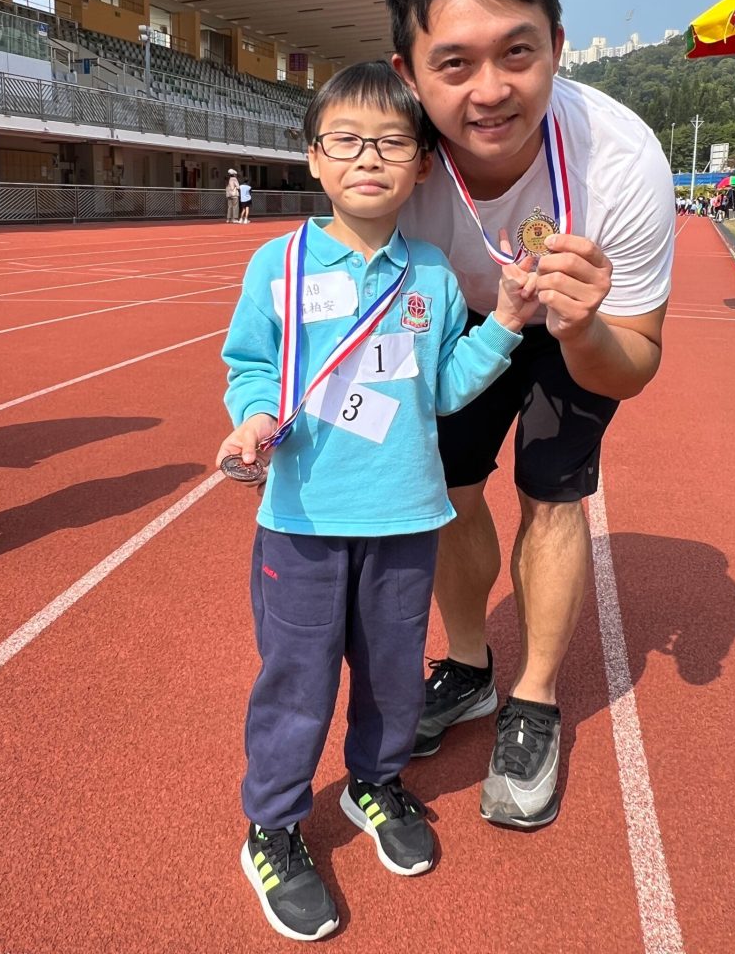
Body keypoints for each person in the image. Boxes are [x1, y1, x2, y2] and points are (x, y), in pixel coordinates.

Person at [217, 61, 539, 942]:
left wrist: (508, 322)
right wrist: (254, 419)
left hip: (407, 518)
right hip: (304, 523)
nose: (369, 158)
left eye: (393, 142)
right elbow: (250, 365)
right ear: (314, 158)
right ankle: (273, 826)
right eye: (348, 141)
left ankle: (374, 781)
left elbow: (445, 389)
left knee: (396, 674)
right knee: (297, 680)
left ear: (423, 165)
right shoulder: (279, 264)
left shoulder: (431, 273)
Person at [387, 0, 674, 829]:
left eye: (517, 51)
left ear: (556, 41)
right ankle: (469, 668)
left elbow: (635, 362)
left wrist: (581, 328)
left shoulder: (620, 160)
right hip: (462, 316)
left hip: (574, 321)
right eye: (454, 63)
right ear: (408, 74)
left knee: (552, 492)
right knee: (444, 486)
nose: (491, 90)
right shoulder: (392, 158)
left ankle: (535, 699)